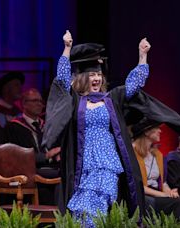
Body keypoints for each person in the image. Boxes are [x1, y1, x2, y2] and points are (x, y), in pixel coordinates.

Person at [42, 30, 150, 226]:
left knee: (96, 206)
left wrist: (142, 55)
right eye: (92, 74)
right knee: (83, 210)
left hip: (107, 163)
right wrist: (66, 48)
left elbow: (133, 85)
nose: (97, 78)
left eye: (99, 74)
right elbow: (63, 80)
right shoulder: (77, 101)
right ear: (83, 77)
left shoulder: (111, 99)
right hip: (84, 165)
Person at [131, 118, 180, 218]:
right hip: (142, 195)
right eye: (157, 128)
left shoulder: (157, 154)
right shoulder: (132, 152)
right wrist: (164, 195)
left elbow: (163, 183)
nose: (160, 131)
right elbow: (137, 185)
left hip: (157, 192)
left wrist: (170, 192)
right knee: (178, 205)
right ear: (147, 132)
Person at [5, 88, 61, 204]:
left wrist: (57, 155)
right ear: (24, 104)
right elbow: (17, 157)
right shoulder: (14, 127)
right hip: (26, 170)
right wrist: (45, 156)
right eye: (35, 101)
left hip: (47, 168)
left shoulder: (45, 126)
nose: (39, 104)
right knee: (61, 175)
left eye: (41, 101)